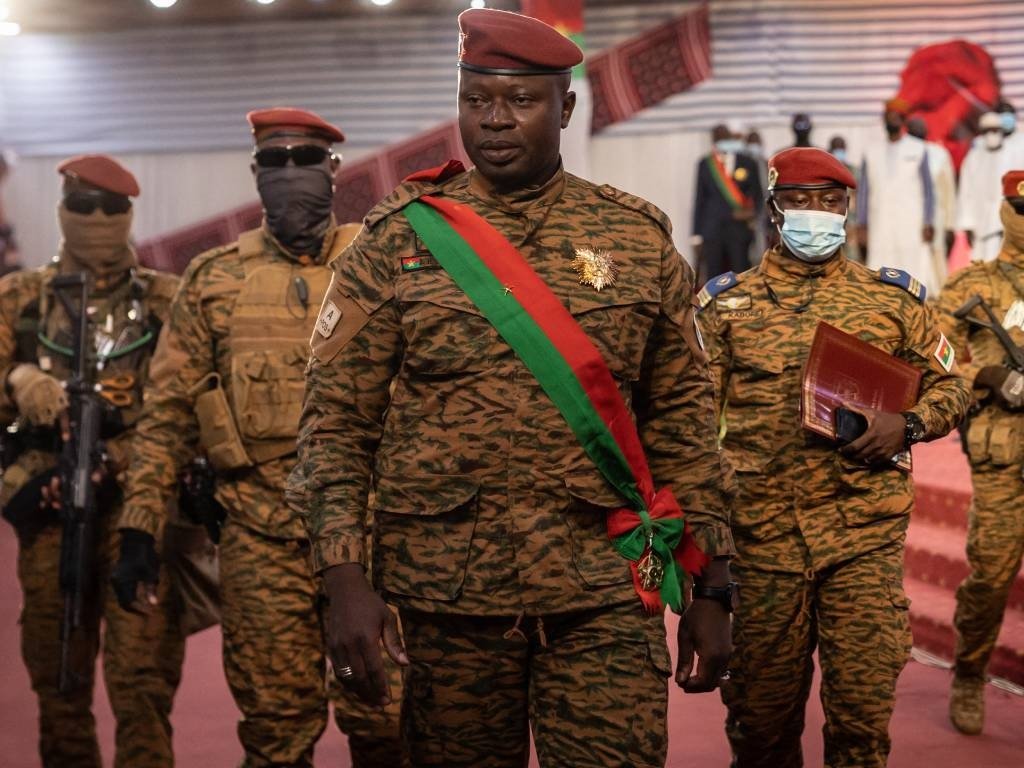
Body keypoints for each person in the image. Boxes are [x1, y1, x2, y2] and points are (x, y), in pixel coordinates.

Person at [290, 8, 735, 767]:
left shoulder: (635, 239)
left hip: (605, 591)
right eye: (475, 99)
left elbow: (685, 426)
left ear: (564, 107)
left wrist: (715, 580)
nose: (493, 120)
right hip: (448, 602)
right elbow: (334, 425)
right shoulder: (398, 240)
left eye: (520, 100)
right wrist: (343, 578)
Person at [116, 108, 405, 768]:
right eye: (273, 163)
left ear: (334, 171)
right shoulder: (214, 279)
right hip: (258, 541)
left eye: (304, 160)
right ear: (255, 175)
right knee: (275, 731)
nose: (288, 175)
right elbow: (166, 413)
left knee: (390, 722)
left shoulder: (383, 265)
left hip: (373, 541)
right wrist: (138, 527)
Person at [698, 147, 971, 768]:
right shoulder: (726, 308)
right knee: (762, 730)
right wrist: (708, 565)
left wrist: (908, 423)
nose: (815, 214)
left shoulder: (892, 302)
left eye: (829, 201)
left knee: (861, 726)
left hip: (863, 542)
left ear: (848, 209)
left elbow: (955, 384)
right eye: (799, 201)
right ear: (773, 209)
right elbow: (688, 432)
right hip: (763, 545)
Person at [0, 155, 185, 767]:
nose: (97, 219)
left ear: (130, 214)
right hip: (50, 521)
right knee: (59, 688)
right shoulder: (18, 299)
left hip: (141, 518)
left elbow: (193, 410)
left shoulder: (166, 301)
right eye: (83, 206)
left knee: (142, 689)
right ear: (61, 211)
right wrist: (19, 381)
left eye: (112, 209)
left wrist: (119, 455)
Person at [937, 169, 1024, 735]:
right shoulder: (976, 284)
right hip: (1005, 455)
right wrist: (986, 374)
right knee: (991, 577)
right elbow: (931, 357)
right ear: (1006, 212)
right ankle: (969, 673)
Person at [859, 97, 943, 296]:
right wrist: (861, 224)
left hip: (911, 222)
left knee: (913, 268)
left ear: (904, 120)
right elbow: (864, 192)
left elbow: (929, 191)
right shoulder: (871, 152)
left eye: (897, 116)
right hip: (879, 221)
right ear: (884, 119)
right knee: (880, 268)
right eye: (889, 116)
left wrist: (929, 222)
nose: (893, 120)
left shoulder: (918, 148)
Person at [691, 122, 763, 283]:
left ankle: (743, 308)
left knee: (741, 274)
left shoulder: (747, 162)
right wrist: (696, 235)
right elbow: (699, 200)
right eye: (718, 138)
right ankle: (714, 308)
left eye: (724, 137)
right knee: (713, 277)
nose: (722, 140)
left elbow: (759, 195)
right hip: (712, 230)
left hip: (739, 230)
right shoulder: (705, 164)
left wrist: (752, 214)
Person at [958, 112, 1021, 262]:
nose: (991, 135)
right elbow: (965, 191)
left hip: (1005, 225)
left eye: (995, 130)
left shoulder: (1014, 155)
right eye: (987, 131)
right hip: (979, 224)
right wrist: (967, 223)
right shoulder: (973, 157)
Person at [907, 116, 957, 259]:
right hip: (908, 220)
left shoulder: (939, 153)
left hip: (936, 222)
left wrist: (950, 225)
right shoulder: (902, 154)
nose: (919, 130)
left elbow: (949, 192)